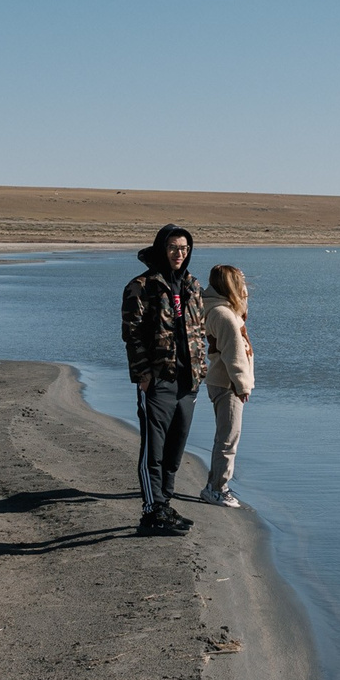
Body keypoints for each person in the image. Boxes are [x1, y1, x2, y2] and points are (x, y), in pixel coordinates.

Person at [119, 223, 208, 536]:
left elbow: (200, 331)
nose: (179, 254)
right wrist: (142, 374)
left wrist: (202, 370)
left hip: (188, 380)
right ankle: (151, 511)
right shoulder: (140, 286)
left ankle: (165, 504)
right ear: (161, 249)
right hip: (157, 380)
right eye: (173, 248)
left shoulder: (193, 285)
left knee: (175, 449)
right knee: (153, 451)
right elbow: (131, 334)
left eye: (184, 248)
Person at [192, 263, 254, 507]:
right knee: (228, 439)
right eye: (241, 282)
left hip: (223, 381)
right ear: (231, 285)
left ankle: (216, 484)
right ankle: (217, 488)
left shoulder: (220, 309)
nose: (245, 286)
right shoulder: (224, 315)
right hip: (227, 383)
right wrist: (242, 385)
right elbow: (233, 353)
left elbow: (242, 310)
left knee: (226, 436)